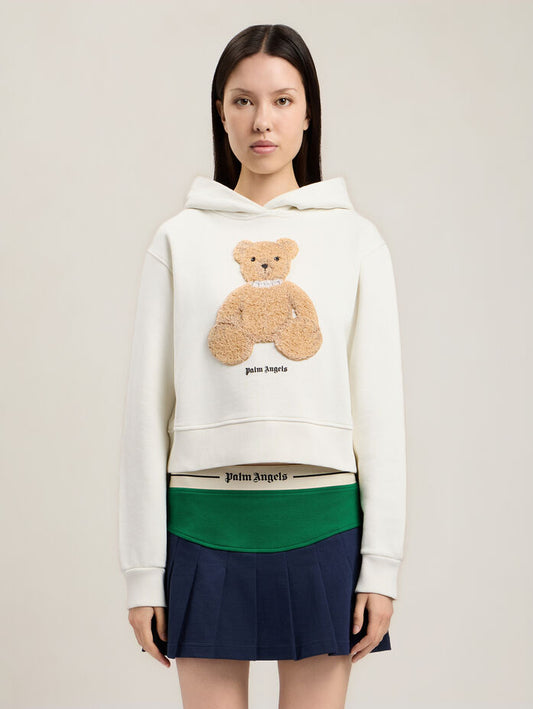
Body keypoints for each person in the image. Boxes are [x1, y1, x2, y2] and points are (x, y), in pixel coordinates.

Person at [118, 23, 407, 709]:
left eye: (282, 100)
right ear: (220, 113)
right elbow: (144, 414)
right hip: (202, 525)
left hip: (324, 522)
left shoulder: (355, 240)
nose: (262, 121)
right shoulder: (179, 240)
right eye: (242, 100)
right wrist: (143, 574)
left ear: (308, 112)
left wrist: (381, 566)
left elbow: (380, 412)